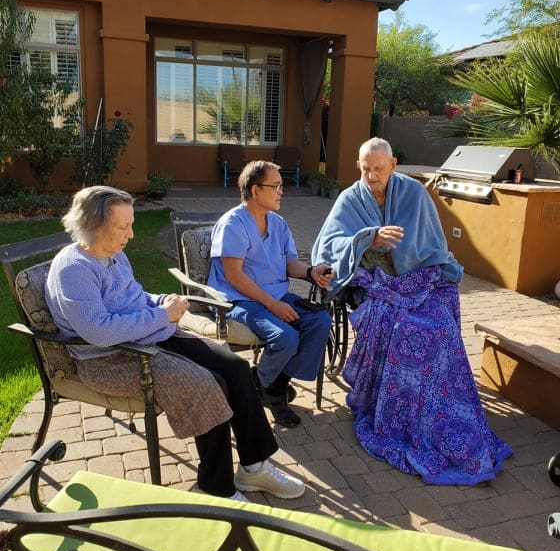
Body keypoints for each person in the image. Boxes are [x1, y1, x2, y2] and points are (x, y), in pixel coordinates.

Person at [45, 185, 305, 501]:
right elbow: (99, 332)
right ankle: (216, 488)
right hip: (109, 358)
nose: (130, 235)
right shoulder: (74, 269)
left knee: (235, 367)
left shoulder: (113, 255)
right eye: (123, 226)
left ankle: (254, 468)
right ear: (92, 225)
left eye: (131, 225)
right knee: (205, 384)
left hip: (149, 335)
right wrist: (162, 316)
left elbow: (134, 296)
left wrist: (161, 301)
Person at [312, 138, 512, 486]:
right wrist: (366, 239)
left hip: (417, 280)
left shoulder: (415, 194)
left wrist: (411, 268)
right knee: (402, 327)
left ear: (393, 164)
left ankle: (439, 411)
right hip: (371, 284)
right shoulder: (350, 199)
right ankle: (394, 410)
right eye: (365, 168)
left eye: (378, 168)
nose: (371, 176)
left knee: (441, 327)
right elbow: (326, 247)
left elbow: (434, 244)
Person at [208, 160, 333, 428]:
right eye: (275, 186)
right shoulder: (233, 224)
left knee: (320, 321)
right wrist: (273, 305)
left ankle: (268, 383)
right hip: (237, 300)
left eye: (281, 186)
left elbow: (289, 264)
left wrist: (312, 272)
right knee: (285, 336)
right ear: (255, 190)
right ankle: (273, 395)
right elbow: (234, 276)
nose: (281, 191)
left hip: (275, 296)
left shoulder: (278, 223)